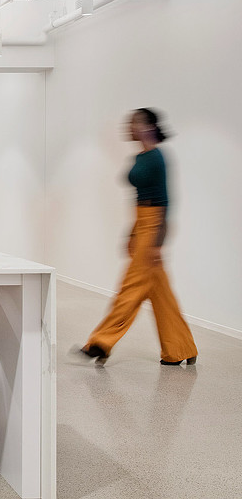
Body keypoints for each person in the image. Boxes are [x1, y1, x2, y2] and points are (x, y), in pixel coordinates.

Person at [80, 108, 198, 366]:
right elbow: (139, 200)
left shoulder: (158, 158)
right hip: (141, 224)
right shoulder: (140, 157)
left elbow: (165, 202)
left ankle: (101, 341)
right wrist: (132, 231)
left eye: (133, 123)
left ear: (148, 127)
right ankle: (181, 348)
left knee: (130, 288)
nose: (128, 127)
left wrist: (158, 243)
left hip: (154, 227)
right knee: (160, 293)